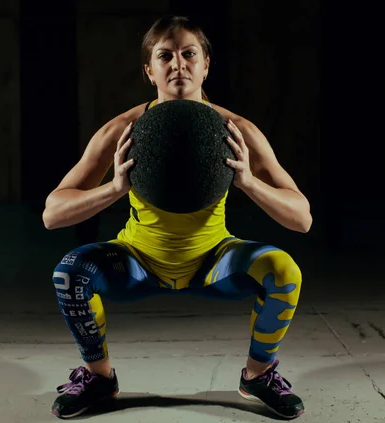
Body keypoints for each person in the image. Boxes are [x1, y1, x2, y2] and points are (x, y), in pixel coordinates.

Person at [42, 15, 312, 420]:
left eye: (189, 54)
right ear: (150, 70)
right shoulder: (122, 130)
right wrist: (114, 188)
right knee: (68, 272)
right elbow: (53, 213)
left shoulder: (237, 131)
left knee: (284, 269)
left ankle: (257, 375)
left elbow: (302, 218)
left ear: (206, 65)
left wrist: (249, 183)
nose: (179, 64)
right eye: (165, 55)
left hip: (213, 260)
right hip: (137, 259)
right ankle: (99, 377)